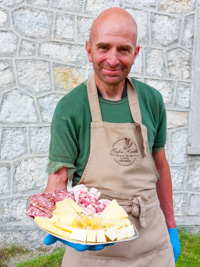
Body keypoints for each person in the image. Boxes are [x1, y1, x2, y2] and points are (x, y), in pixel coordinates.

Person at [44, 7, 180, 267]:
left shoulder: (152, 100)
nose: (113, 60)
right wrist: (57, 222)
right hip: (93, 245)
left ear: (136, 53)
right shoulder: (71, 108)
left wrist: (171, 228)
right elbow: (58, 179)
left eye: (124, 49)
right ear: (88, 50)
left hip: (151, 243)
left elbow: (160, 165)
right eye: (103, 47)